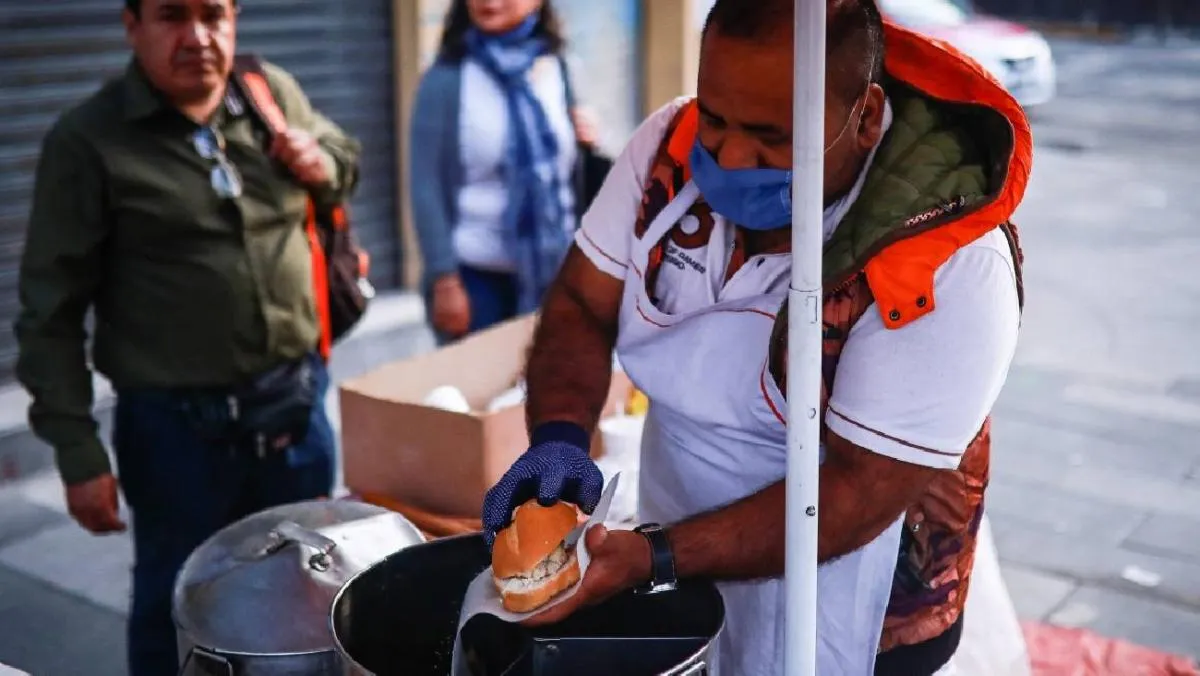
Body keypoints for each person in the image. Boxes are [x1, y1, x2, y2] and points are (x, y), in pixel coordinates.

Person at [479, 0, 1030, 673]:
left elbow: (858, 494)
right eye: (716, 119)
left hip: (855, 590)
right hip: (674, 555)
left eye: (773, 136)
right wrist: (560, 439)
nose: (732, 157)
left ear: (863, 116)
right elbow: (580, 303)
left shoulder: (951, 259)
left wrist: (656, 555)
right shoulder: (666, 148)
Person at [13, 0, 361, 673]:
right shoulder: (88, 140)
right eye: (174, 16)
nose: (198, 37)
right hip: (176, 434)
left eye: (215, 15)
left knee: (305, 596)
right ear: (132, 25)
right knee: (178, 604)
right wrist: (78, 451)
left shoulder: (269, 92)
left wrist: (319, 162)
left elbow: (343, 159)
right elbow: (49, 311)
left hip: (294, 411)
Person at [408, 0, 600, 343]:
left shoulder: (561, 67)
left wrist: (591, 138)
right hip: (475, 284)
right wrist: (444, 279)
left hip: (556, 274)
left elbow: (574, 172)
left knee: (551, 390)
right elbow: (425, 186)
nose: (490, 2)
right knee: (475, 394)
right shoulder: (446, 79)